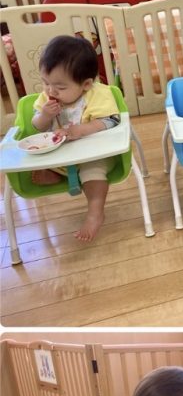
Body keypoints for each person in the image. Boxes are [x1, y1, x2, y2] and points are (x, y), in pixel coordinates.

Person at [29, 35, 122, 242]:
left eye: (60, 87)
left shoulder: (97, 94)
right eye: (45, 83)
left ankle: (95, 213)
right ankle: (60, 174)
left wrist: (81, 130)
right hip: (60, 156)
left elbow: (111, 120)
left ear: (86, 84)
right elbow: (37, 126)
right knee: (34, 163)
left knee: (93, 172)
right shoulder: (46, 98)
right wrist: (44, 116)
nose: (51, 91)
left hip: (95, 155)